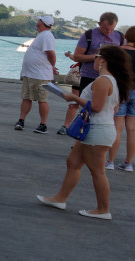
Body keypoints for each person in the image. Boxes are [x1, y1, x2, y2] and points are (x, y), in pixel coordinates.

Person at [37, 45, 133, 220]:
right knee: (73, 162)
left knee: (97, 171)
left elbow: (96, 107)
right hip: (97, 128)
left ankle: (103, 209)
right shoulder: (112, 80)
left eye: (96, 57)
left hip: (97, 130)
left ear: (103, 60)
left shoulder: (103, 80)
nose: (94, 60)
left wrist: (73, 97)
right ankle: (60, 199)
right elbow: (113, 107)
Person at [58, 12, 123, 135]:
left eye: (111, 29)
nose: (108, 32)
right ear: (99, 24)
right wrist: (99, 56)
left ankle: (97, 133)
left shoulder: (119, 37)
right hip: (89, 76)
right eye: (105, 29)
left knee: (107, 107)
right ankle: (82, 131)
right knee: (87, 107)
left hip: (110, 78)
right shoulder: (89, 35)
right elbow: (77, 56)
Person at [15, 16, 57, 134]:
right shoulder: (41, 35)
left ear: (43, 23)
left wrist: (52, 67)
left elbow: (51, 54)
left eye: (39, 20)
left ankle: (43, 124)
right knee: (26, 97)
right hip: (30, 73)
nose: (37, 22)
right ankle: (21, 120)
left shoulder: (47, 36)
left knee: (42, 100)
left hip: (40, 75)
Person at [108, 27, 135, 171]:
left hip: (121, 91)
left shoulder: (119, 52)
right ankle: (128, 163)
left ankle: (110, 161)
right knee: (132, 130)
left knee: (117, 128)